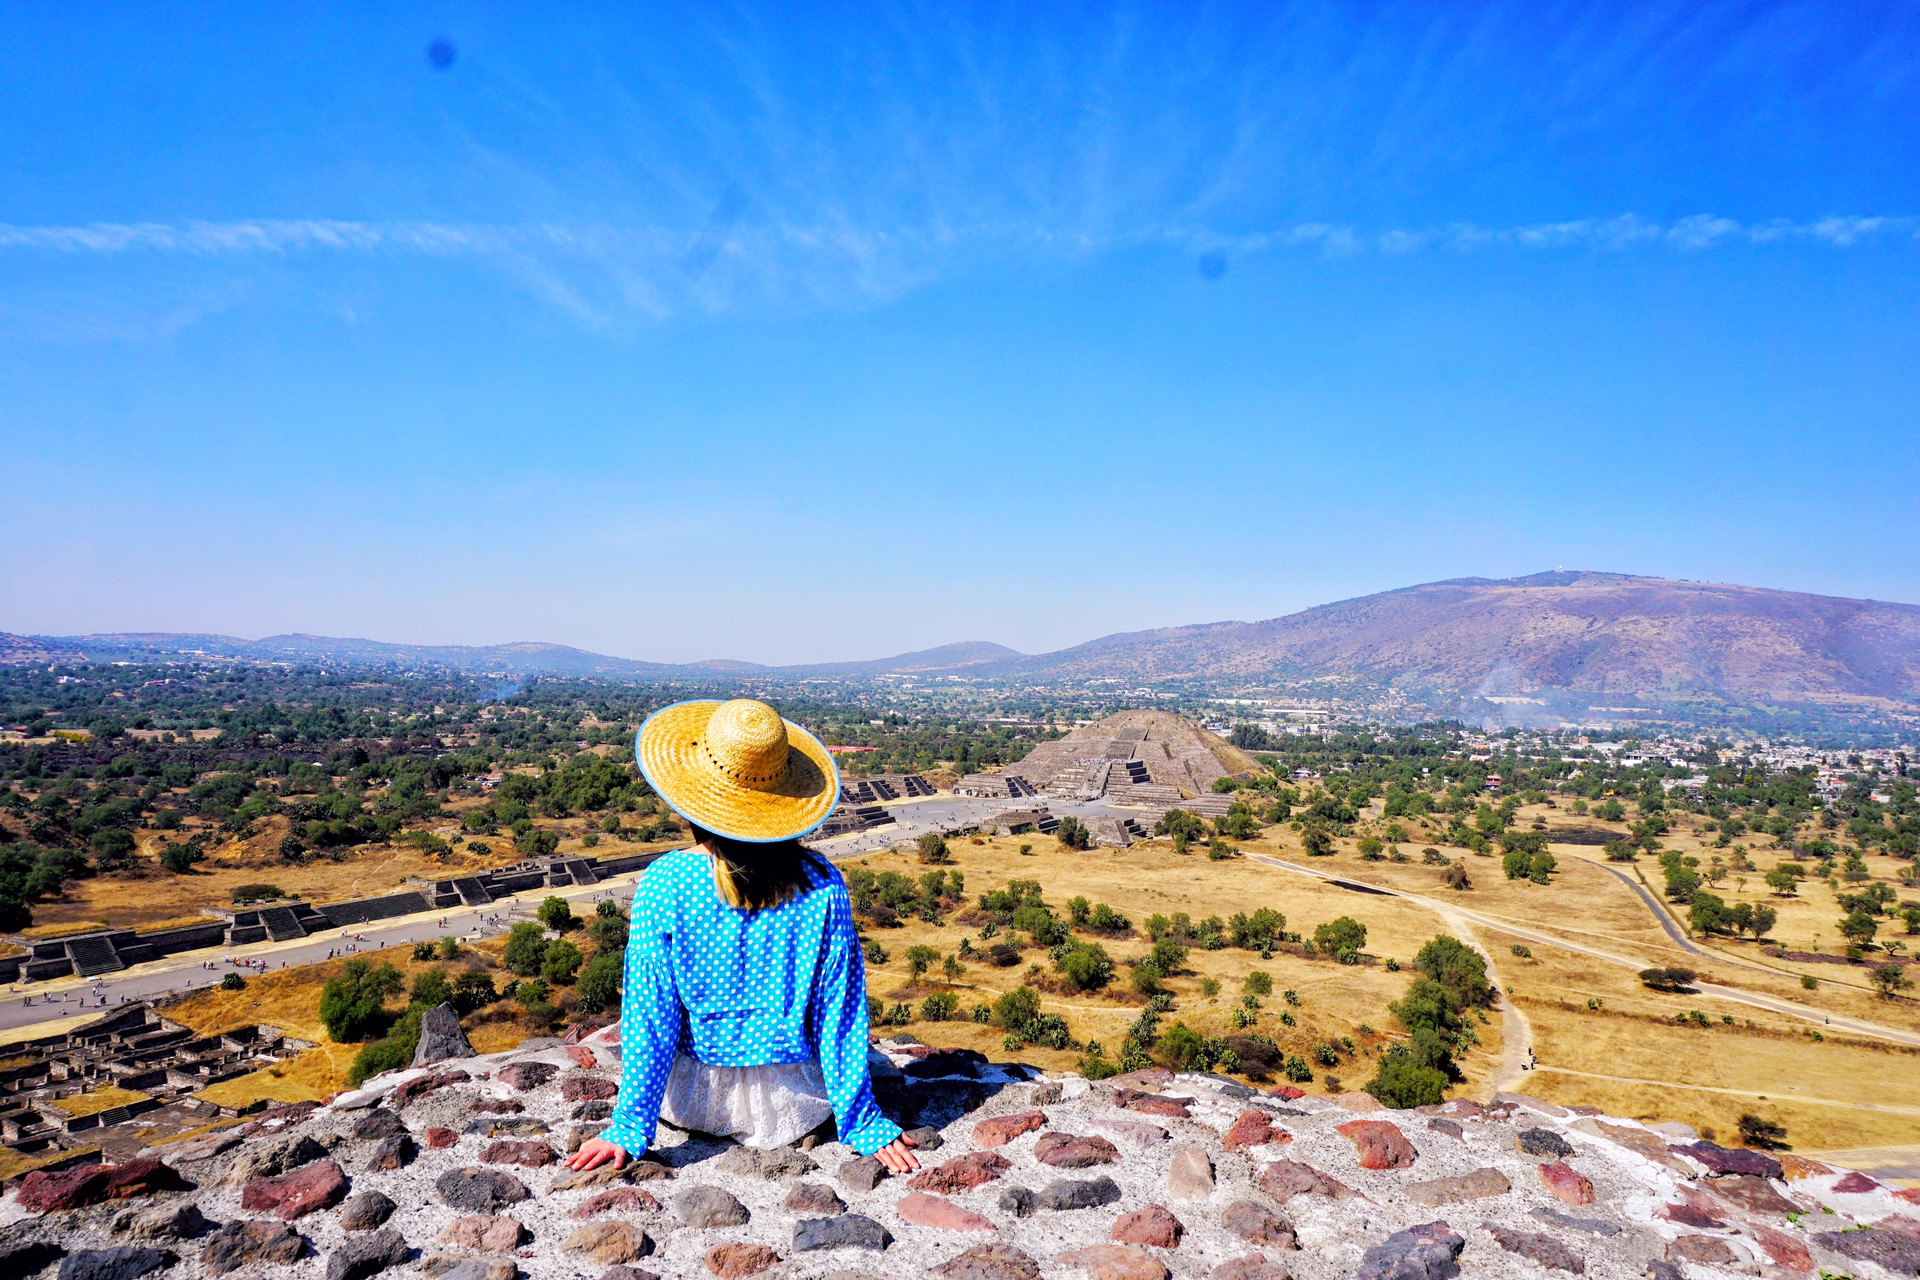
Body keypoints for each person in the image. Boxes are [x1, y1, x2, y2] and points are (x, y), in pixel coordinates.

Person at [565, 698, 916, 1177]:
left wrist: (630, 1126)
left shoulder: (667, 882)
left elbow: (651, 1016)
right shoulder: (822, 882)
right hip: (799, 1100)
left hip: (695, 1098)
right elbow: (840, 1014)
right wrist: (862, 1122)